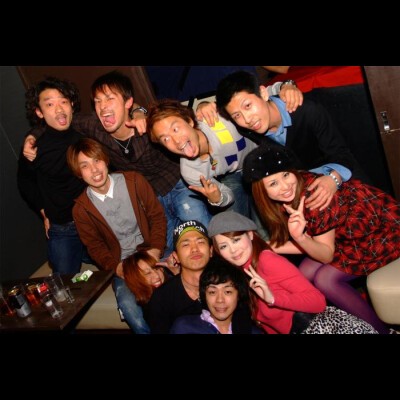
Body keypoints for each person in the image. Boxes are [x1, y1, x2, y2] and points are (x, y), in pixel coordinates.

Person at [22, 70, 209, 258]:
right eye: (97, 101)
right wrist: (32, 137)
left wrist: (142, 111)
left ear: (128, 103)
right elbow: (60, 120)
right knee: (167, 249)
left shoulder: (147, 123)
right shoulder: (94, 127)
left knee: (201, 233)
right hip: (150, 197)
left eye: (109, 99)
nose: (103, 107)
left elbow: (181, 122)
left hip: (177, 184)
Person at [242, 144, 400, 334]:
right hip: (344, 237)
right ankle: (327, 325)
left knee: (326, 280)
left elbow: (325, 254)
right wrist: (267, 245)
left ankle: (381, 332)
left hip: (382, 232)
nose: (285, 186)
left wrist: (299, 238)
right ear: (261, 191)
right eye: (273, 183)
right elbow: (313, 239)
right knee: (305, 272)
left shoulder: (313, 197)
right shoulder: (286, 199)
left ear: (293, 171)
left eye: (286, 175)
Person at [215, 70, 370, 212]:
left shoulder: (307, 111)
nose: (247, 119)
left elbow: (342, 153)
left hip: (340, 177)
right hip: (302, 191)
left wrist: (333, 179)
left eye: (248, 106)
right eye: (237, 115)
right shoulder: (247, 129)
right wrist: (204, 106)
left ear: (263, 94)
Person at [208, 210, 378, 334]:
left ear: (251, 235)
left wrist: (273, 299)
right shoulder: (241, 273)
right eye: (223, 246)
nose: (233, 250)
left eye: (236, 240)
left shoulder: (267, 261)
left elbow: (318, 302)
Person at [67, 137, 166, 333]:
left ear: (105, 160)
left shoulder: (134, 181)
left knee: (177, 290)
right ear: (78, 173)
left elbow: (157, 217)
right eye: (85, 166)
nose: (94, 170)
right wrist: (117, 267)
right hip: (123, 263)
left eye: (97, 160)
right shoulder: (81, 209)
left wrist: (156, 249)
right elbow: (95, 247)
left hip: (150, 251)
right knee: (129, 307)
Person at [146, 99, 262, 233]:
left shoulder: (215, 120)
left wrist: (210, 105)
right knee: (233, 229)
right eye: (165, 139)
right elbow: (227, 196)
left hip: (261, 160)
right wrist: (217, 198)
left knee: (266, 225)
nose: (176, 141)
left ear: (190, 121)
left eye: (175, 129)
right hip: (234, 174)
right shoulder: (190, 171)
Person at [17, 76, 91, 274]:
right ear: (39, 112)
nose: (59, 109)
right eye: (50, 104)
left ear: (72, 104)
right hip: (62, 225)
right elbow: (25, 182)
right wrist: (43, 211)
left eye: (63, 101)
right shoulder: (34, 147)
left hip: (94, 217)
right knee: (63, 282)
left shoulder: (85, 133)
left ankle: (85, 252)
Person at [145, 220, 254, 334]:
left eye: (200, 242)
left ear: (211, 251)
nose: (194, 249)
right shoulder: (162, 299)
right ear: (176, 257)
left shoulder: (231, 286)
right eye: (186, 244)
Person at [170, 257, 263, 334]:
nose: (220, 300)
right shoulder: (185, 327)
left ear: (239, 295)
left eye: (228, 292)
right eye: (212, 292)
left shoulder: (252, 331)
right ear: (204, 295)